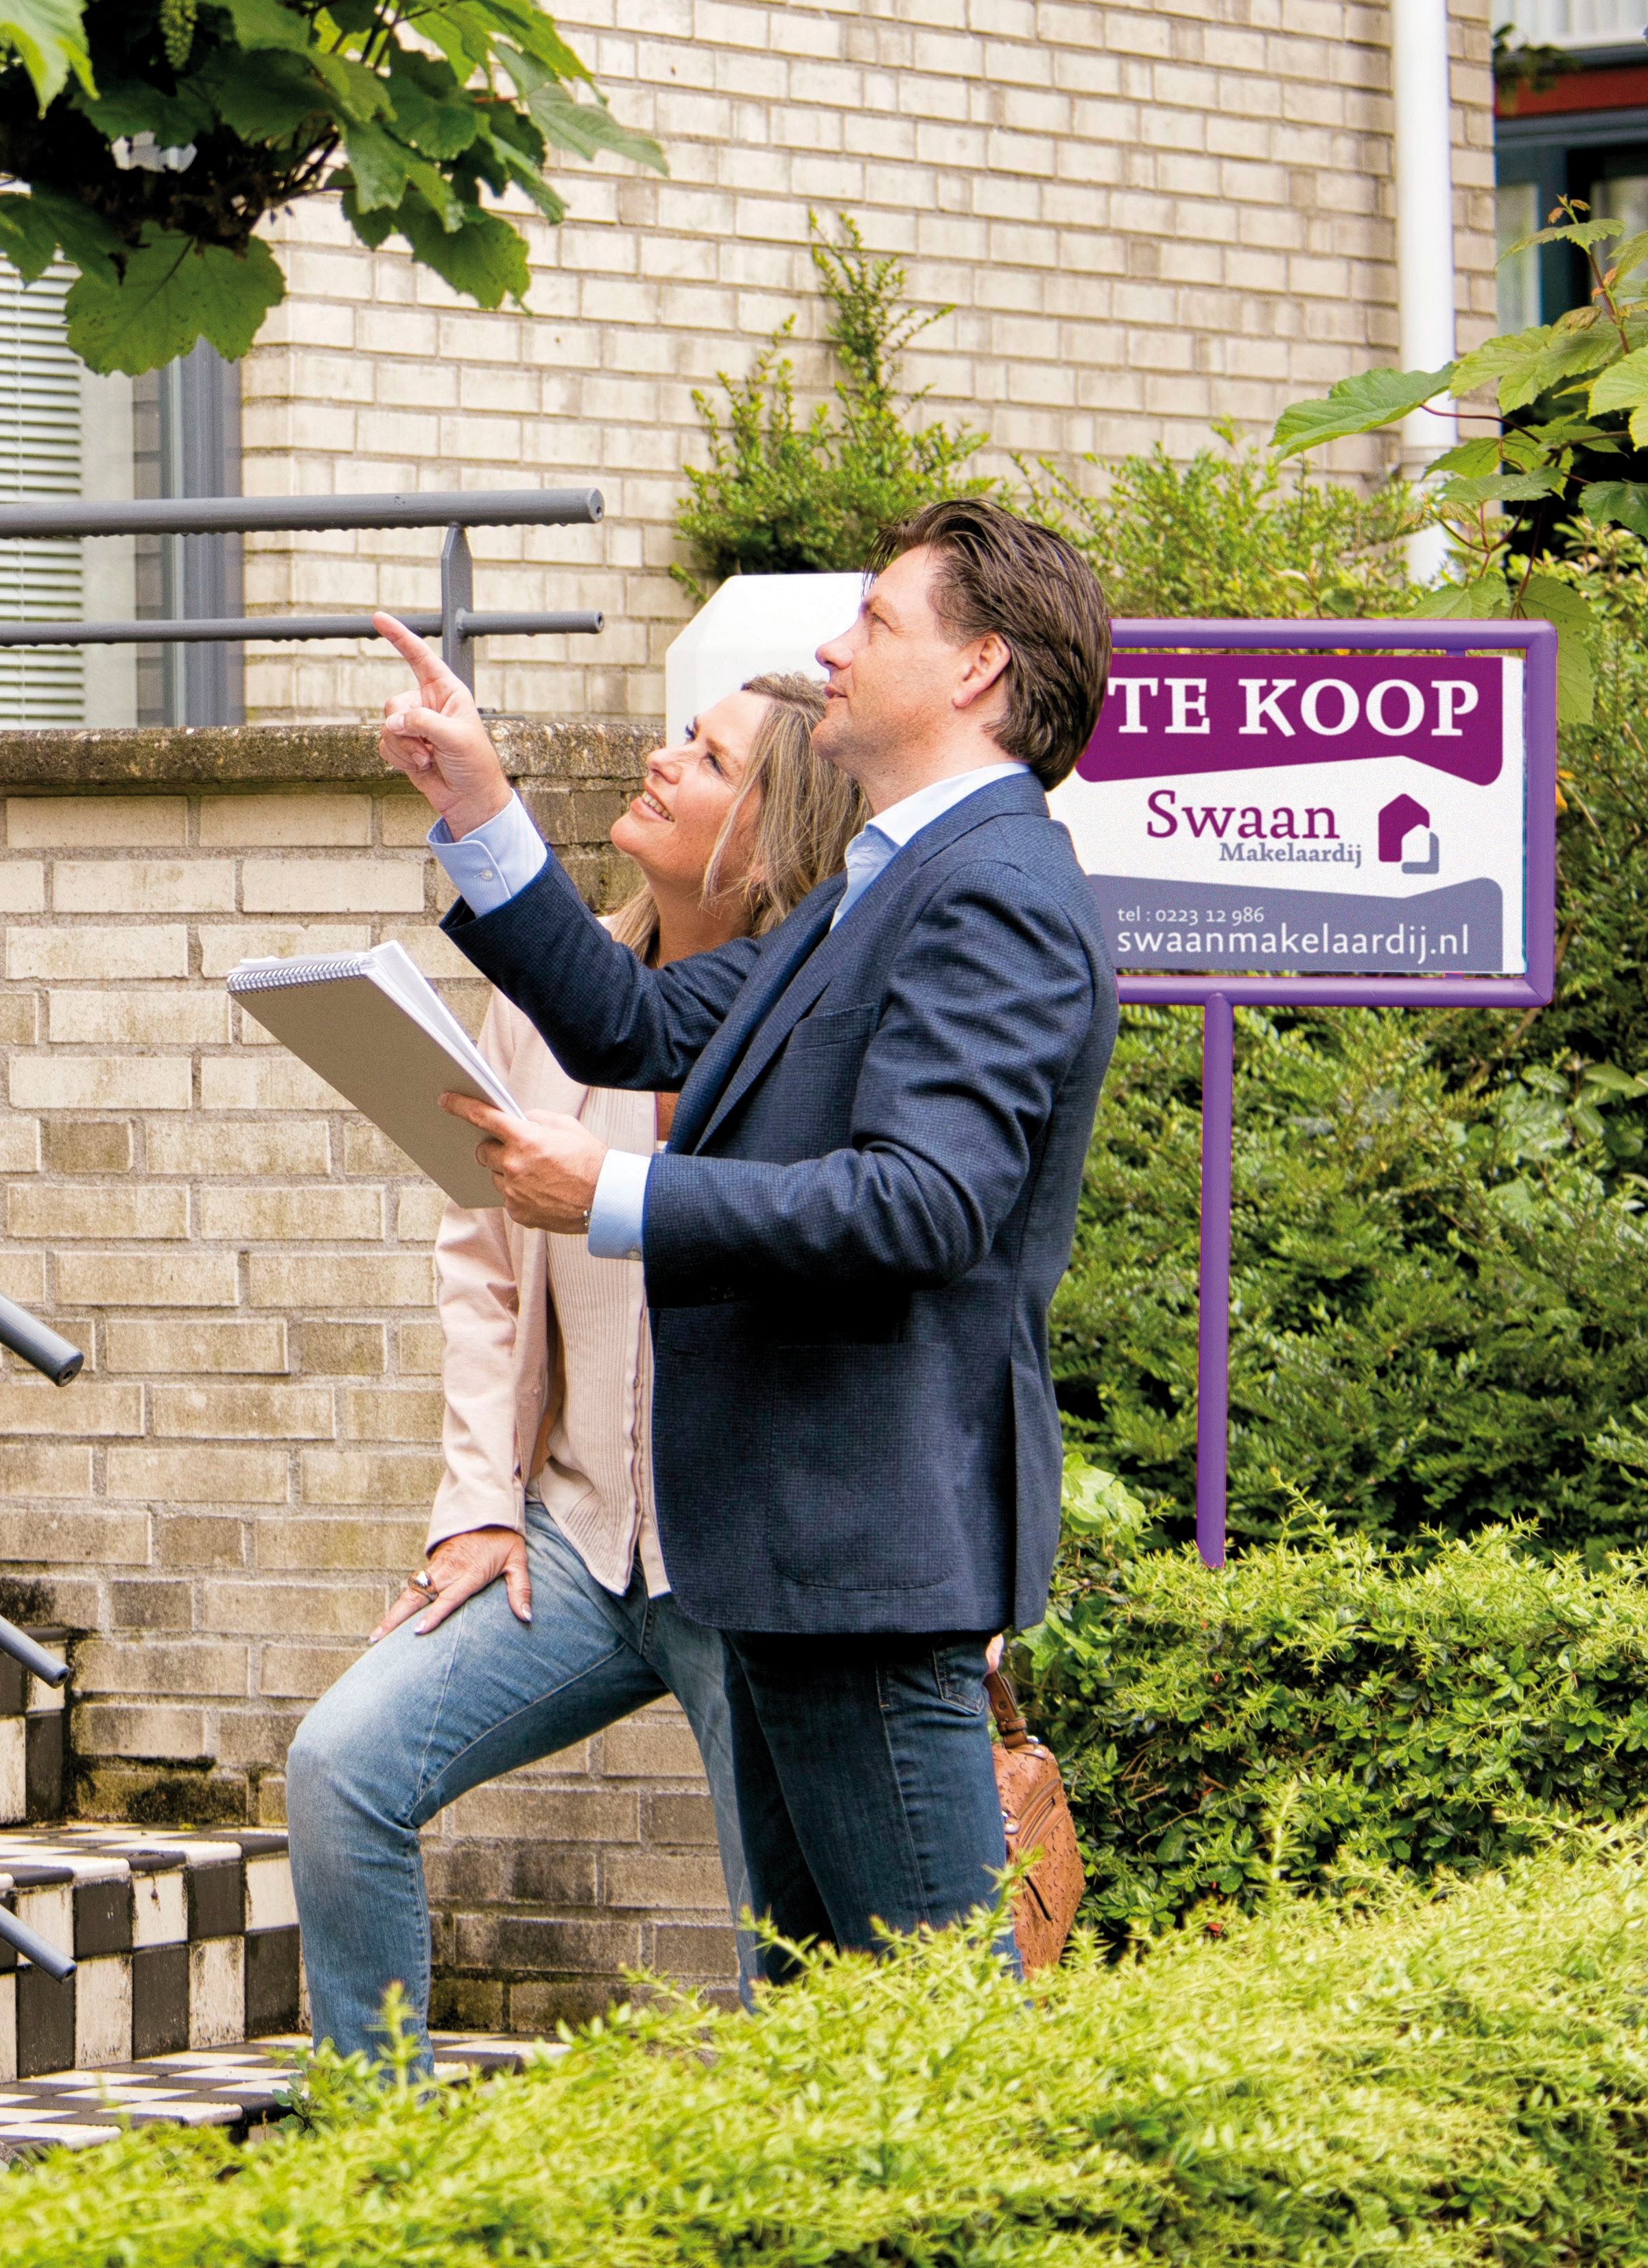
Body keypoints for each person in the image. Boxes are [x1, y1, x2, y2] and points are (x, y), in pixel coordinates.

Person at [372, 496, 1120, 1976]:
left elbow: (924, 1202)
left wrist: (616, 1197)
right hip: (790, 1562)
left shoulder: (994, 892)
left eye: (874, 621)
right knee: (815, 2031)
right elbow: (635, 1020)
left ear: (975, 670)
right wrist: (478, 808)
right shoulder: (880, 883)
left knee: (926, 2045)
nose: (832, 649)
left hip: (864, 1560)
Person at [281, 672, 867, 2065]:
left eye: (706, 754)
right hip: (577, 1540)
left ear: (778, 827)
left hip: (747, 1562)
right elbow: (482, 1260)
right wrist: (474, 1501)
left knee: (778, 1939)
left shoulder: (818, 1020)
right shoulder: (550, 990)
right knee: (339, 1766)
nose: (659, 759)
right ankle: (379, 2160)